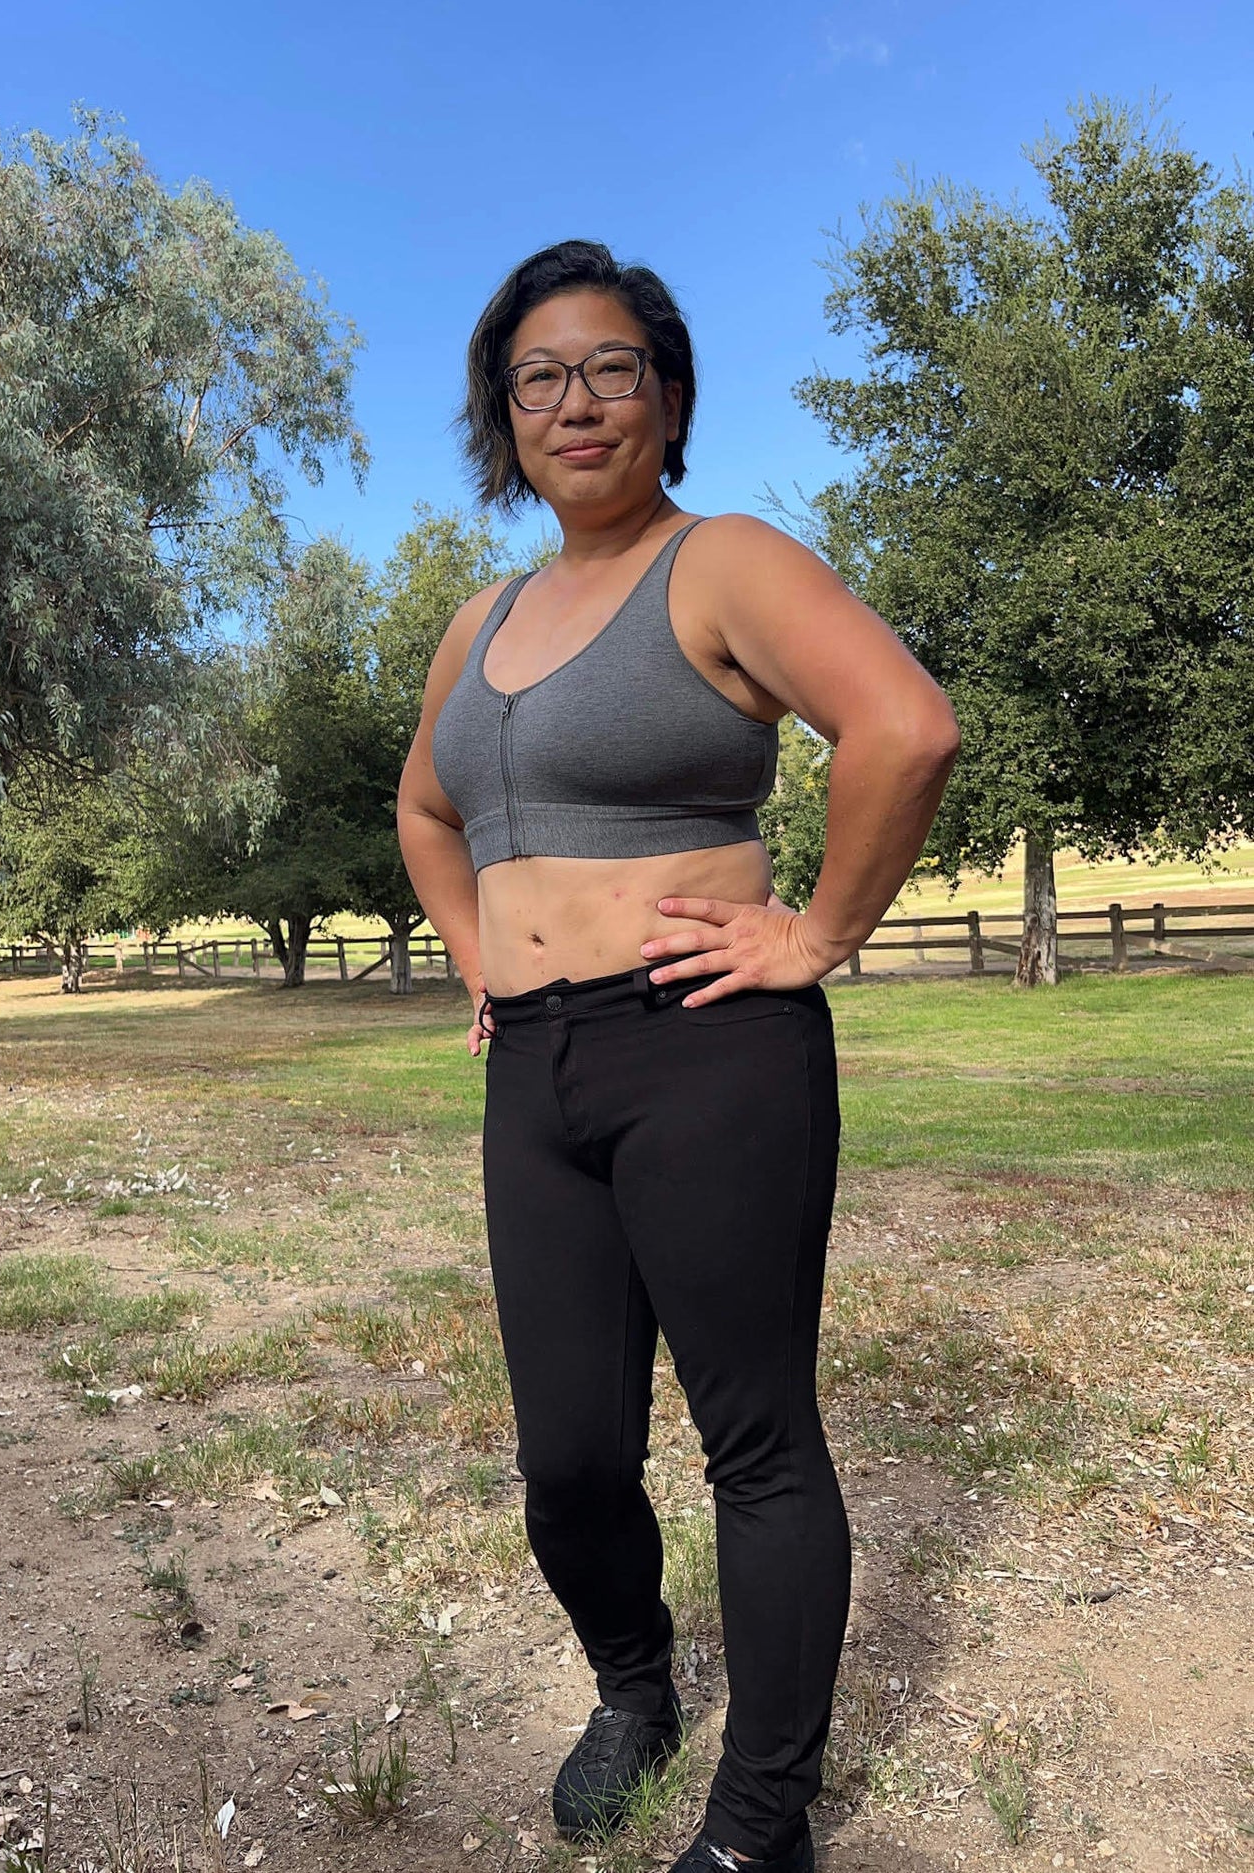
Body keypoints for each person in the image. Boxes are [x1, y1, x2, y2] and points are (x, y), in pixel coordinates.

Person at [396, 240, 959, 1873]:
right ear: (499, 419)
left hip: (708, 1052)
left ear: (669, 396)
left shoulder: (718, 565)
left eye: (610, 368)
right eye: (536, 378)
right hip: (536, 1073)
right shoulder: (479, 617)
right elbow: (427, 810)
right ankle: (633, 1690)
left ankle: (758, 1817)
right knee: (568, 1455)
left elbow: (903, 727)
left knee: (753, 1437)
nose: (574, 402)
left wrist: (814, 934)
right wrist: (471, 957)